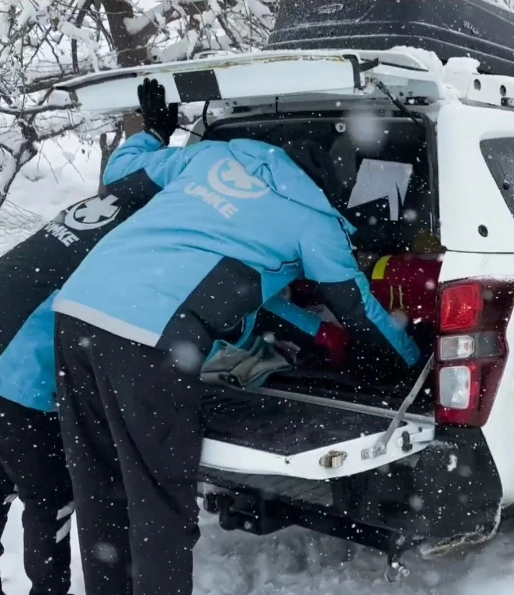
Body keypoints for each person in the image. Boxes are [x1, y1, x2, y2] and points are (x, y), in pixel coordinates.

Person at [51, 78, 420, 595]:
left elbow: (120, 175)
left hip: (77, 310)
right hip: (148, 337)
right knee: (160, 500)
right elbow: (358, 310)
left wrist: (154, 131)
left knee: (100, 484)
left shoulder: (213, 157)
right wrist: (410, 359)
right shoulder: (313, 221)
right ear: (333, 189)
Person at [0, 168, 168, 595]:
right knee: (49, 502)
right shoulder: (139, 245)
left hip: (8, 366)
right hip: (27, 390)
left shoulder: (92, 217)